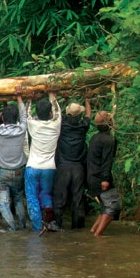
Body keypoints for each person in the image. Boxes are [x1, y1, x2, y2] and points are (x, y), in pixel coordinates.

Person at [0, 91, 28, 230]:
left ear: (3, 118)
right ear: (16, 118)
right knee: (18, 199)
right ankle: (22, 226)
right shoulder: (22, 129)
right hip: (18, 172)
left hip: (3, 172)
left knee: (3, 202)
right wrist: (19, 97)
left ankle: (12, 228)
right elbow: (24, 115)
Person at [25, 91, 62, 233]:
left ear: (37, 113)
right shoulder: (56, 125)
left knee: (32, 197)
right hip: (49, 168)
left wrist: (29, 100)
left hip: (33, 166)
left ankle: (38, 227)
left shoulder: (33, 124)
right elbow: (58, 112)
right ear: (50, 114)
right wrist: (53, 96)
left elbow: (27, 115)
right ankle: (48, 212)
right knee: (46, 193)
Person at [52, 98, 92, 230]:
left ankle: (57, 224)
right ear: (79, 115)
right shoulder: (83, 127)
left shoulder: (61, 126)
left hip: (63, 166)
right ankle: (78, 228)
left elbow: (56, 113)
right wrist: (87, 100)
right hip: (78, 168)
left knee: (60, 197)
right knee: (78, 198)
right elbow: (88, 115)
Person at [89, 110, 120, 237]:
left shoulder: (94, 138)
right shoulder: (108, 140)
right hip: (100, 177)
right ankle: (98, 236)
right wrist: (105, 179)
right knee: (113, 206)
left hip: (92, 176)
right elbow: (107, 161)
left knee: (104, 206)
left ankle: (94, 231)